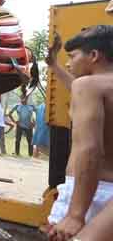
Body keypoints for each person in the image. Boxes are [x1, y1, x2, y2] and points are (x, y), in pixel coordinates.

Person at [44, 25, 113, 241]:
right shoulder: (98, 87)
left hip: (89, 194)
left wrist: (75, 214)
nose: (69, 63)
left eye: (73, 57)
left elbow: (90, 148)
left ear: (93, 55)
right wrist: (53, 65)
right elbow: (76, 87)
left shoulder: (88, 86)